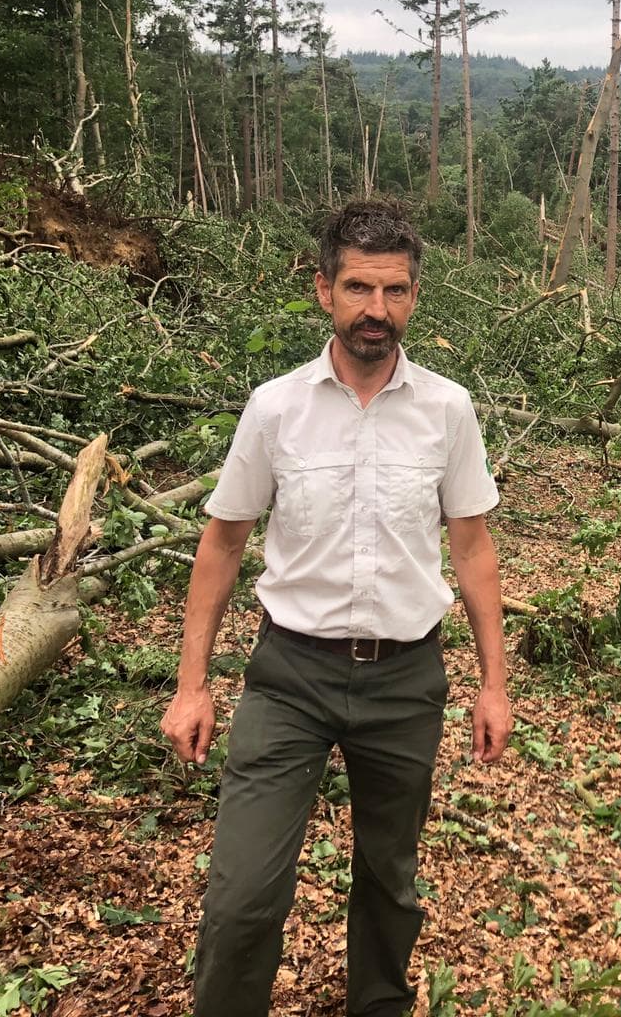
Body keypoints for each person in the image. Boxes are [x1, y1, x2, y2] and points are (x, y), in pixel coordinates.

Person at [160, 200, 511, 1017]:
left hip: (405, 681)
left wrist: (494, 685)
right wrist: (192, 683)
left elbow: (472, 548)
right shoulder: (276, 407)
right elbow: (222, 544)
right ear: (324, 290)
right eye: (358, 287)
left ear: (415, 298)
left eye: (393, 292)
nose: (374, 311)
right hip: (290, 677)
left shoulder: (448, 411)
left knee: (390, 881)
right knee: (243, 894)